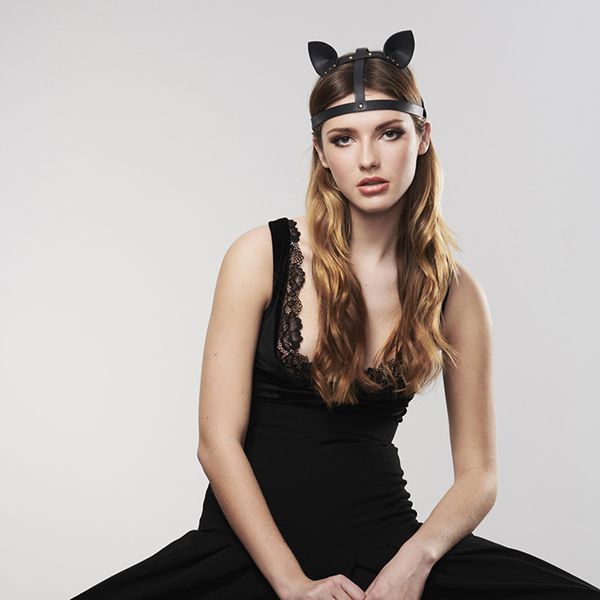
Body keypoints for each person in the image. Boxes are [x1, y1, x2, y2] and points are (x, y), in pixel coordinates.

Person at [70, 30, 600, 600]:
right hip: (249, 557)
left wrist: (414, 561)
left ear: (422, 137)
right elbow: (216, 442)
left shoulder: (456, 293)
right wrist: (293, 585)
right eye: (344, 138)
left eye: (389, 133)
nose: (368, 158)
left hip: (387, 549)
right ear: (322, 154)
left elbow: (479, 475)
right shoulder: (261, 257)